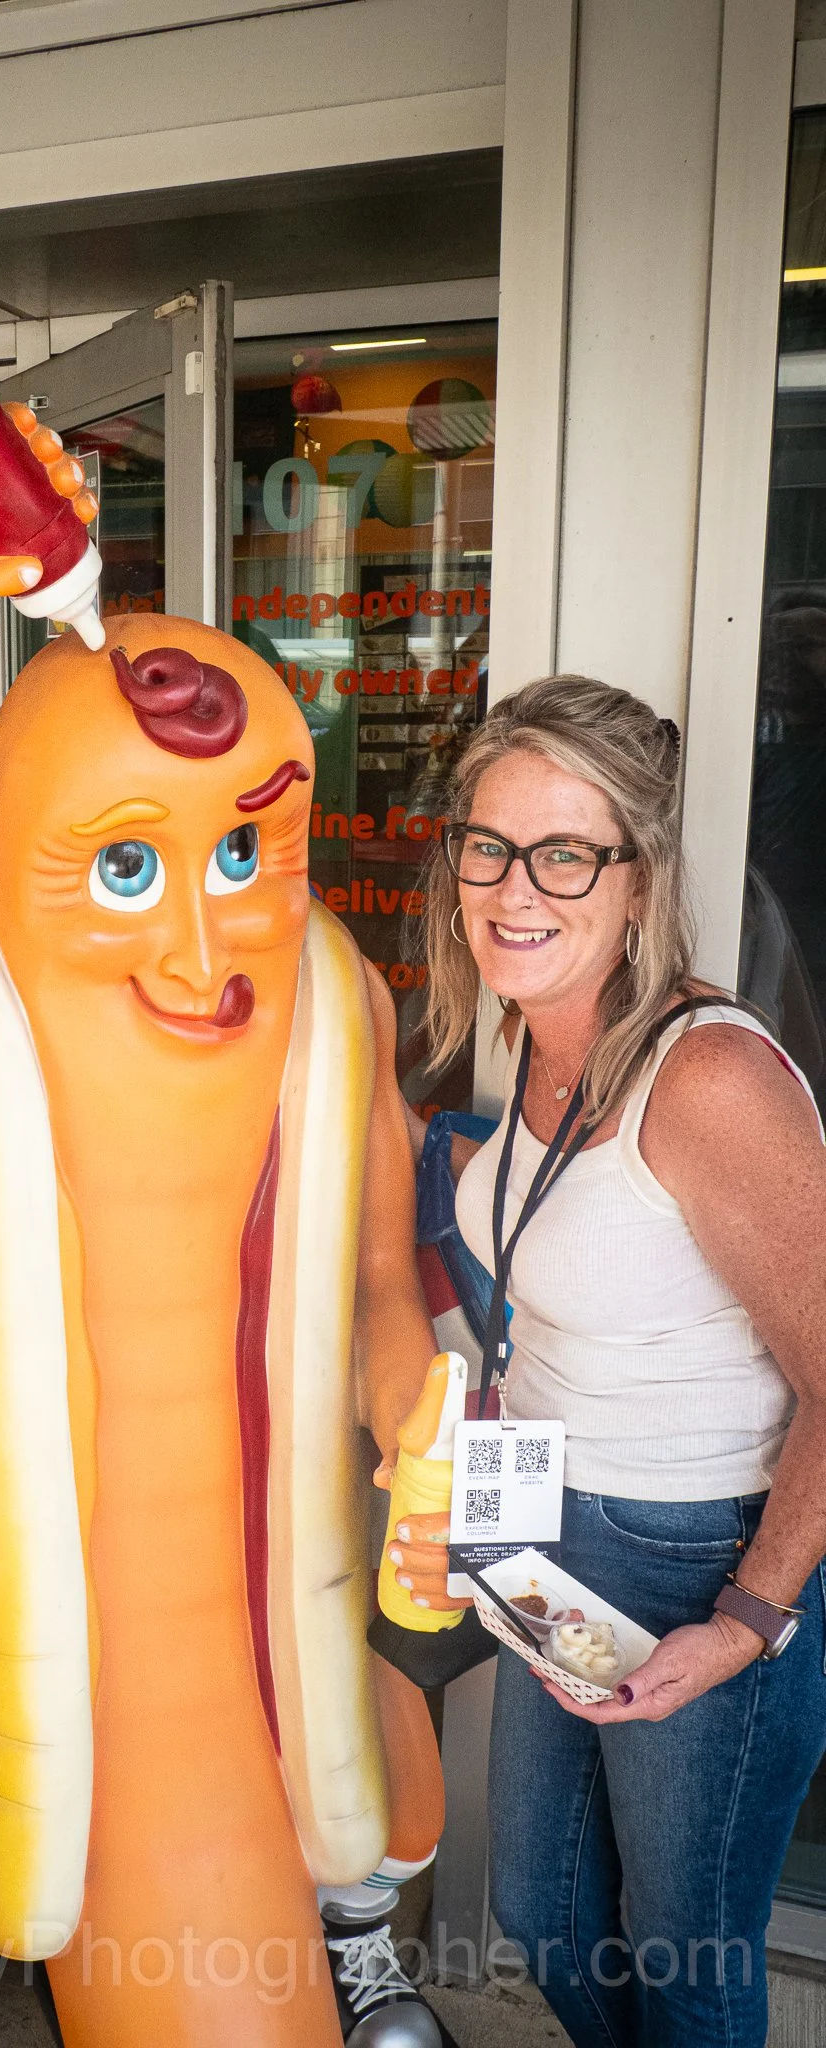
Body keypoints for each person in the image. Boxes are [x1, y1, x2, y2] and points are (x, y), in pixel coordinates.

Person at [386, 675, 826, 2048]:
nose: (515, 888)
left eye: (565, 853)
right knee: (546, 1909)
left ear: (637, 881)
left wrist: (749, 1619)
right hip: (555, 1540)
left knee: (685, 1960)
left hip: (696, 1548)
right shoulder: (536, 1037)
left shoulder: (707, 1080)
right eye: (489, 845)